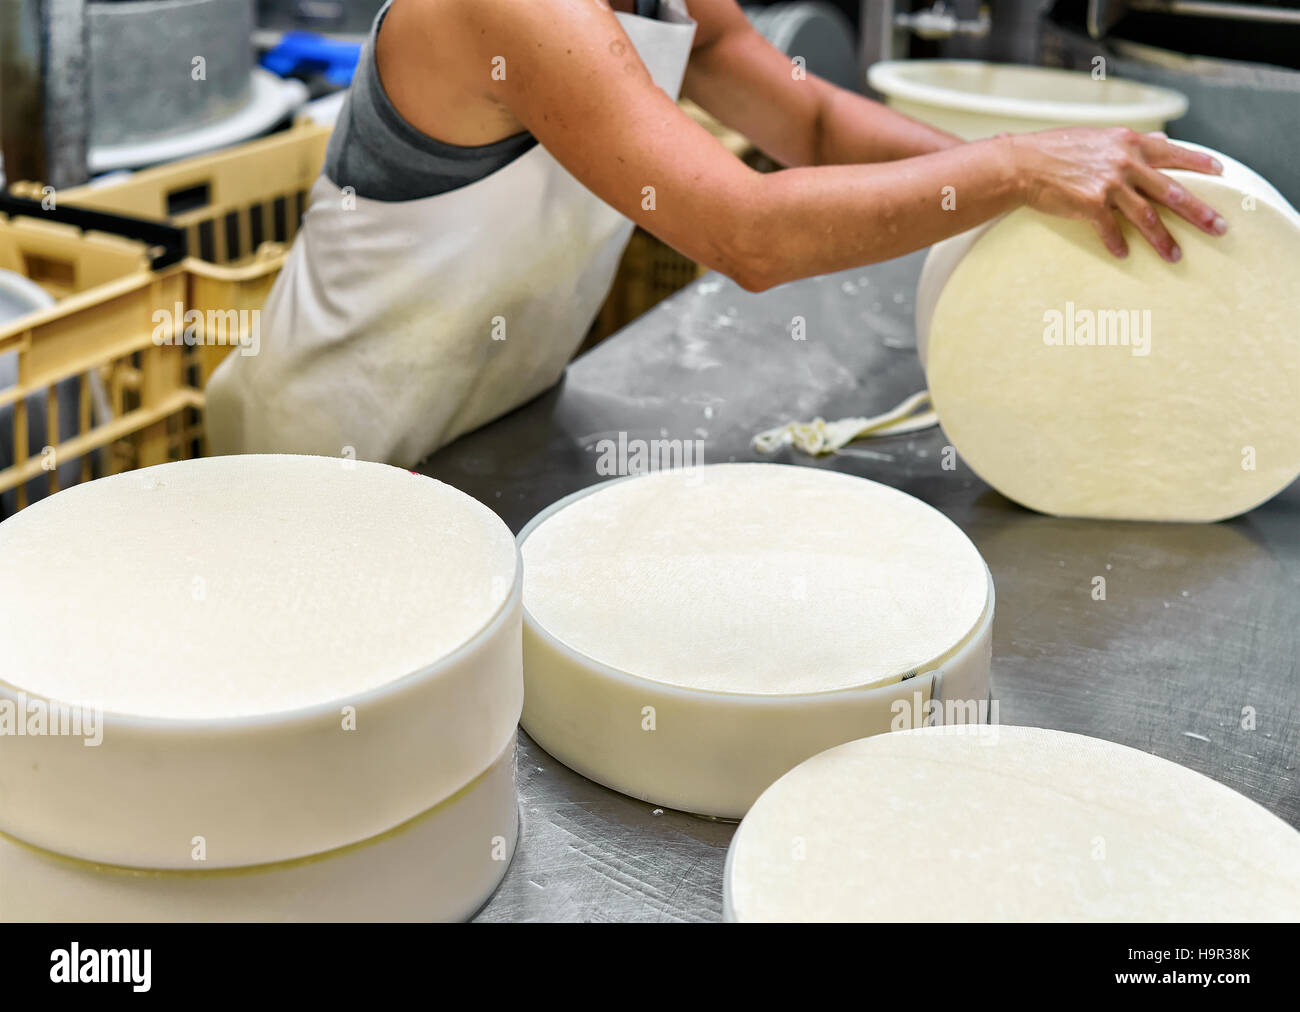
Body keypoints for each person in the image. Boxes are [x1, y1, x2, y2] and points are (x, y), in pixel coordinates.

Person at [206, 0, 1225, 467]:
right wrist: (1013, 169)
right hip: (327, 453)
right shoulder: (514, 11)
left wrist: (1034, 183)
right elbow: (748, 234)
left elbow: (810, 122)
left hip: (492, 420)